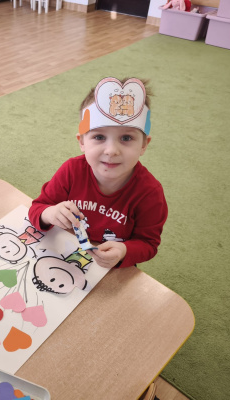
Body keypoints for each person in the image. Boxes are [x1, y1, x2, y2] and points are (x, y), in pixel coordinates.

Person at [28, 77, 168, 270]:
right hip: (64, 255)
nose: (111, 151)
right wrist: (49, 213)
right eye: (99, 136)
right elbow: (37, 208)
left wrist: (124, 251)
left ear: (144, 145)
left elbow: (148, 244)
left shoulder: (150, 193)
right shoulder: (71, 171)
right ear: (82, 142)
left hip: (112, 265)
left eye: (126, 138)